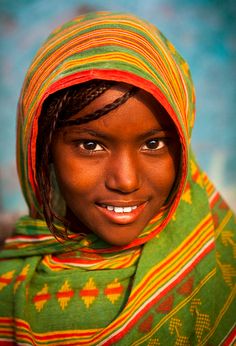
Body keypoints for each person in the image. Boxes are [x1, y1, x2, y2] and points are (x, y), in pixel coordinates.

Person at [0, 11, 235, 346]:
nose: (125, 181)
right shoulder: (11, 286)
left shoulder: (223, 259)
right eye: (91, 145)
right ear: (42, 147)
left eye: (153, 144)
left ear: (182, 145)